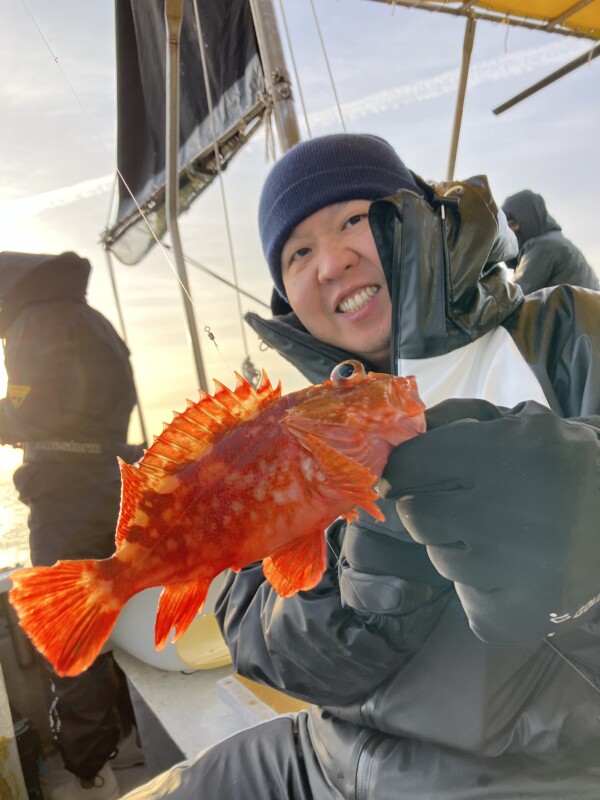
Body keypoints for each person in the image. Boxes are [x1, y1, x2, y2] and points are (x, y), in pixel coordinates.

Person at [120, 133, 600, 799]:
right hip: (324, 757)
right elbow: (276, 646)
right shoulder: (285, 428)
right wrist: (373, 587)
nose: (332, 262)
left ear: (422, 215)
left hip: (541, 771)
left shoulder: (568, 331)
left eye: (355, 220)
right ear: (288, 296)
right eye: (298, 252)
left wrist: (580, 514)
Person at [0, 251, 145, 800]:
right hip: (117, 480)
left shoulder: (28, 322)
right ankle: (130, 736)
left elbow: (28, 408)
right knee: (124, 611)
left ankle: (91, 773)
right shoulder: (93, 319)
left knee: (68, 630)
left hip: (65, 496)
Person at [501, 188, 599, 294]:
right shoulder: (556, 241)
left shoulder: (542, 247)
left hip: (574, 310)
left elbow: (514, 297)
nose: (510, 233)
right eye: (507, 228)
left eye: (512, 225)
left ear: (528, 221)